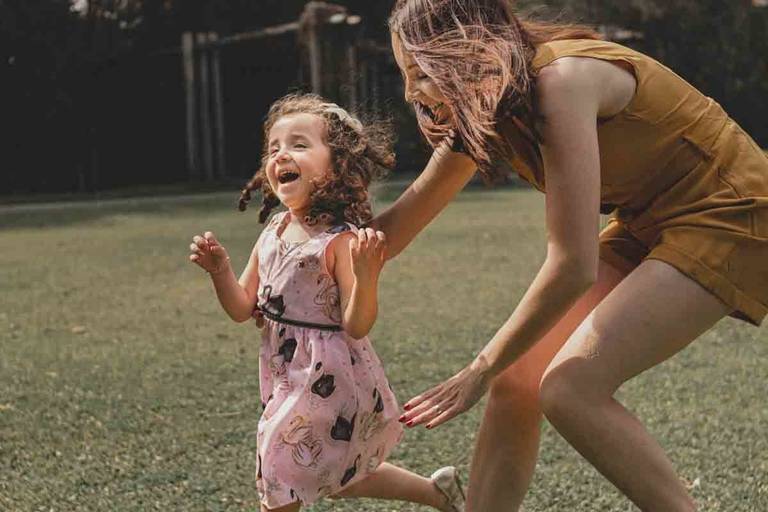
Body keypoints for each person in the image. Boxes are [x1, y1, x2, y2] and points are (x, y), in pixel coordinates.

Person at [368, 1, 768, 511]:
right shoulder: (490, 107)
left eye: (420, 72)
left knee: (570, 388)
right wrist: (303, 243)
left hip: (729, 209)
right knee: (518, 380)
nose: (410, 92)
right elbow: (393, 231)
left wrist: (478, 368)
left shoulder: (560, 81)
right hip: (650, 216)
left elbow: (572, 265)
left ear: (464, 49)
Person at [188, 93, 465, 512]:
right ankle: (435, 492)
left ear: (337, 165)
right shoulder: (274, 231)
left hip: (328, 377)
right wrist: (220, 272)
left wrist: (367, 276)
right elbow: (242, 307)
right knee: (330, 472)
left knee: (281, 464)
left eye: (299, 144)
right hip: (287, 375)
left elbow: (357, 325)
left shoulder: (340, 241)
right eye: (274, 147)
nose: (282, 153)